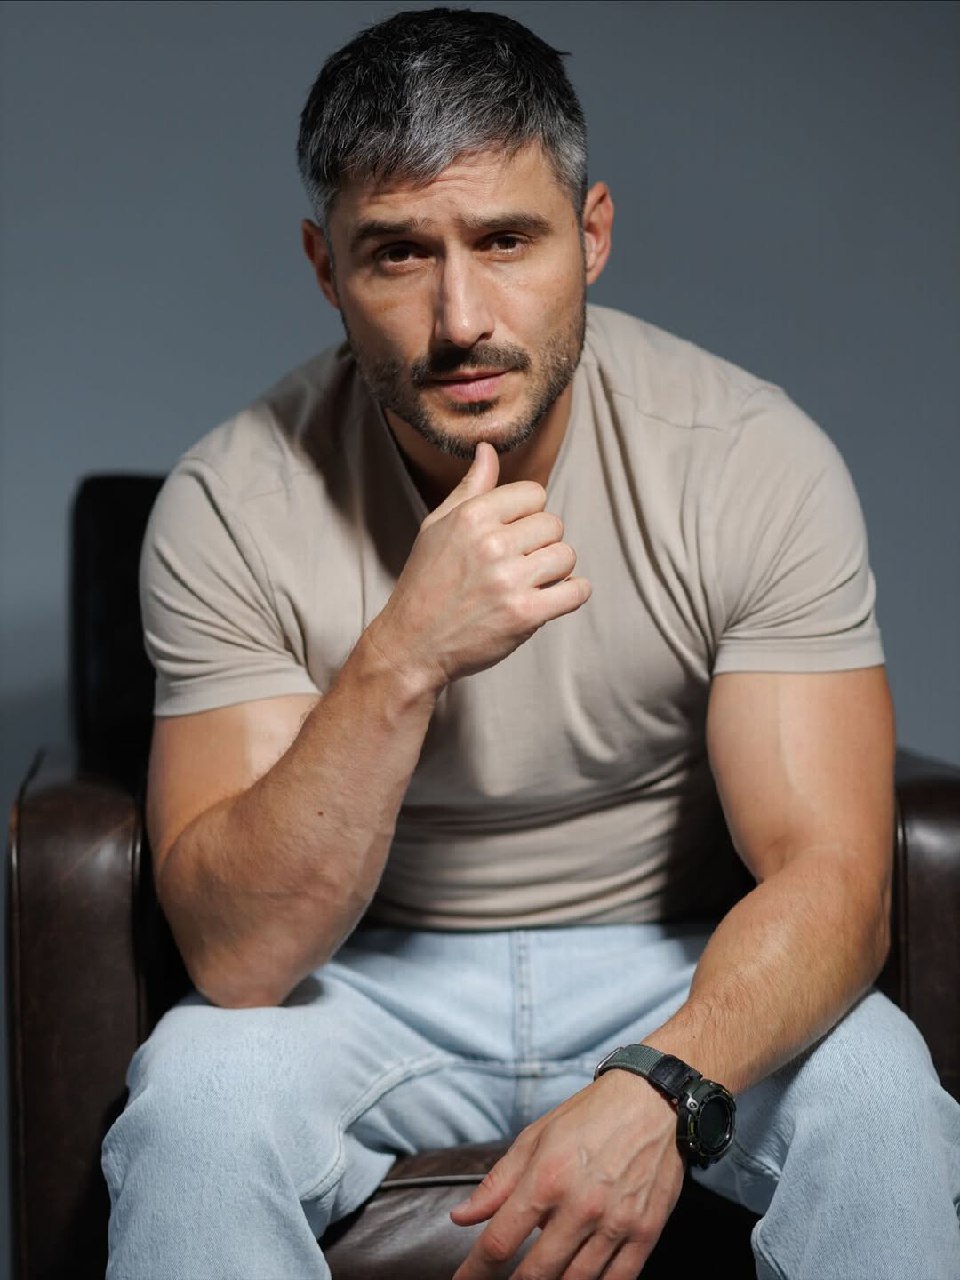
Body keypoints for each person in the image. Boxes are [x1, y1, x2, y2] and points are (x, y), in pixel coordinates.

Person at [101, 7, 960, 1279]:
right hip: (365, 981)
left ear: (592, 234)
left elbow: (833, 875)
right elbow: (239, 956)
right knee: (194, 1107)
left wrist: (664, 1078)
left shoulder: (750, 460)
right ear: (325, 267)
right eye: (398, 253)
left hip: (673, 959)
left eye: (506, 240)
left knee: (882, 1092)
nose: (461, 319)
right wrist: (403, 652)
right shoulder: (231, 502)